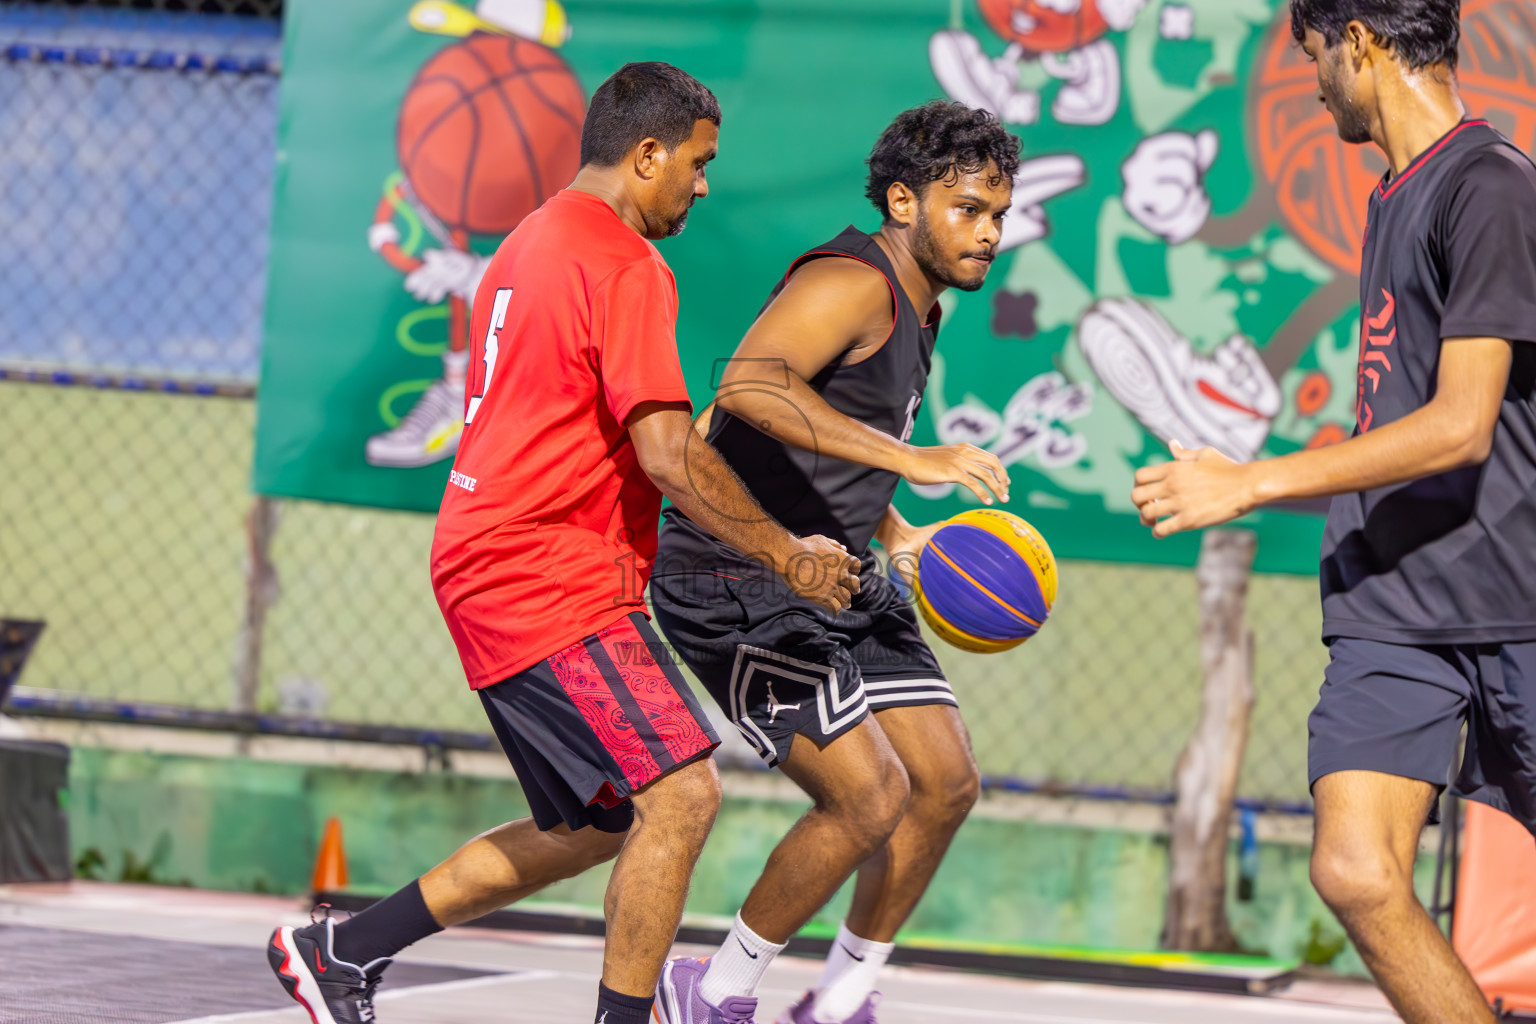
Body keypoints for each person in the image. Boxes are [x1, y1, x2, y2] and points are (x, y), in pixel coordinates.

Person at [265, 61, 860, 1024]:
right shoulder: (624, 264)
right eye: (698, 163)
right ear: (649, 153)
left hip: (497, 558)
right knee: (682, 796)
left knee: (602, 819)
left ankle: (342, 951)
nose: (703, 185)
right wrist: (787, 551)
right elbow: (667, 452)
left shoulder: (529, 241)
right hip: (541, 571)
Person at [1129, 2, 1536, 1021]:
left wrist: (1252, 478)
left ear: (1360, 42)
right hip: (1396, 601)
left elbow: (1461, 426)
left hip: (1513, 596)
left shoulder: (1489, 188)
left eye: (1313, 54)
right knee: (1356, 868)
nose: (1310, 81)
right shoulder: (1395, 192)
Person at [647, 102, 1019, 1024]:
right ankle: (712, 990)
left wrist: (896, 531)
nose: (987, 233)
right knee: (869, 796)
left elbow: (827, 438)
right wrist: (914, 462)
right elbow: (749, 384)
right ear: (904, 201)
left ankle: (843, 993)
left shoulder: (923, 301)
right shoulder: (856, 281)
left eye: (999, 215)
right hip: (733, 574)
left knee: (944, 784)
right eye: (967, 209)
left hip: (838, 565)